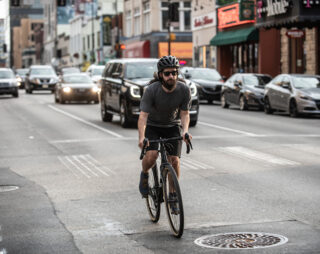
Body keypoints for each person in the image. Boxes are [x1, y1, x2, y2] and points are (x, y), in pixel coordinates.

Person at [138, 55, 193, 202]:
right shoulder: (151, 90)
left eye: (174, 73)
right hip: (153, 126)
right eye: (167, 73)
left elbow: (185, 114)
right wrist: (142, 137)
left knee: (174, 160)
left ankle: (173, 195)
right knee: (152, 156)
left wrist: (186, 131)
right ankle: (144, 173)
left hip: (172, 126)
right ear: (160, 75)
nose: (171, 76)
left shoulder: (184, 90)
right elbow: (143, 116)